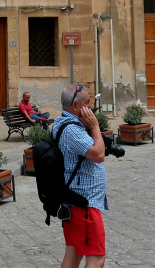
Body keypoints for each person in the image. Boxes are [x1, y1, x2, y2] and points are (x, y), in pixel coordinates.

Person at [52, 83, 108, 268]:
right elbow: (98, 154)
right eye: (88, 103)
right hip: (84, 204)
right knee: (96, 259)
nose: (91, 107)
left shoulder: (63, 122)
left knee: (73, 255)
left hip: (73, 201)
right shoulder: (72, 130)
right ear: (75, 107)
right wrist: (95, 126)